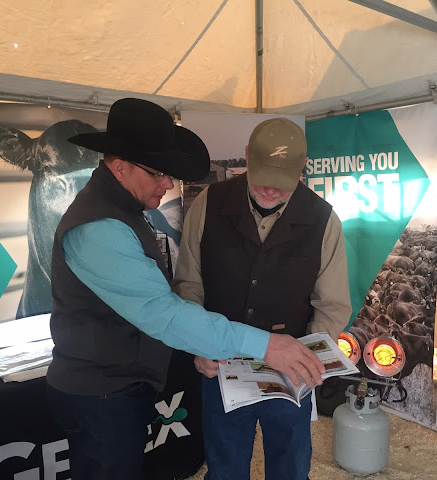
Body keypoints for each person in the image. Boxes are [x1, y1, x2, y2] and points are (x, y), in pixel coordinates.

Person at [45, 99, 326, 480]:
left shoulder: (121, 210)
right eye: (158, 173)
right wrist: (266, 345)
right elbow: (165, 313)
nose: (167, 184)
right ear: (120, 167)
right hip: (101, 393)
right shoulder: (99, 230)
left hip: (117, 386)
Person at [172, 117, 352, 480]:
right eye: (262, 177)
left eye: (282, 182)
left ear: (303, 167)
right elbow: (189, 283)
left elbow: (331, 305)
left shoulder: (323, 219)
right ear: (246, 156)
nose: (270, 190)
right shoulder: (207, 204)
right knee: (224, 468)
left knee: (290, 467)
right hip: (220, 366)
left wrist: (309, 361)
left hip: (291, 372)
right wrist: (199, 346)